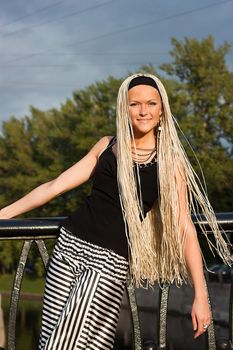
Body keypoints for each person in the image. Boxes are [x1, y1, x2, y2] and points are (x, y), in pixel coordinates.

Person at [0, 73, 231, 350]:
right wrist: (4, 213)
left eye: (151, 104)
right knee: (60, 341)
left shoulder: (170, 162)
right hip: (67, 249)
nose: (143, 111)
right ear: (124, 108)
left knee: (61, 345)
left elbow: (184, 226)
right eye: (135, 104)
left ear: (161, 110)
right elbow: (55, 186)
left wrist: (201, 295)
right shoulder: (108, 145)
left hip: (107, 263)